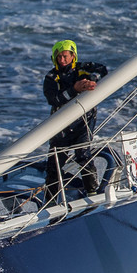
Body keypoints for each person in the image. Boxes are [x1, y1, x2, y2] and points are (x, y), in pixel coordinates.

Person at [43, 39, 110, 195]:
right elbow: (53, 99)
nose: (62, 60)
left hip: (83, 121)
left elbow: (102, 69)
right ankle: (50, 202)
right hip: (61, 125)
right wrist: (74, 89)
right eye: (59, 57)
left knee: (83, 156)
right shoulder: (51, 77)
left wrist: (92, 80)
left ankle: (92, 193)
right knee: (54, 164)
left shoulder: (82, 69)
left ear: (73, 56)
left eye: (66, 56)